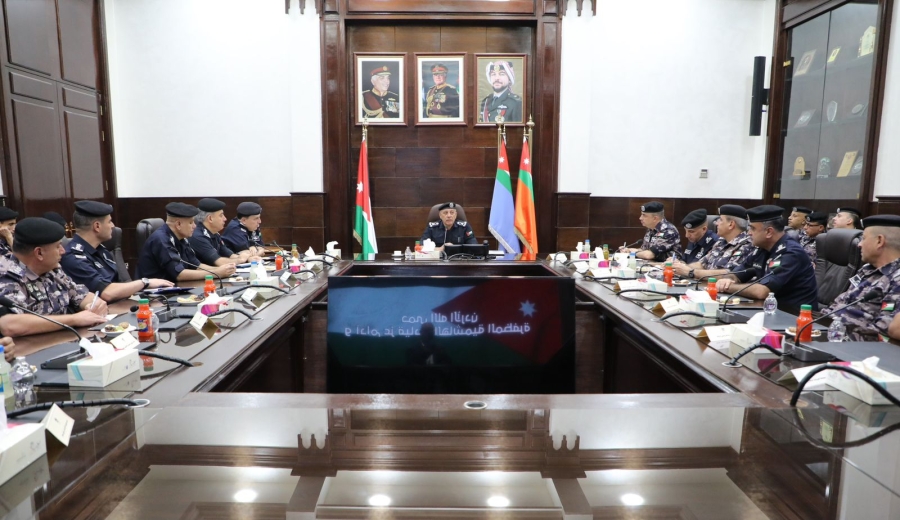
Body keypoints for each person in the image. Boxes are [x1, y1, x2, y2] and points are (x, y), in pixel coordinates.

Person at [0, 217, 108, 336]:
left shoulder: (52, 269)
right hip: (34, 346)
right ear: (39, 253)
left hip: (66, 339)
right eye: (58, 246)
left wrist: (93, 305)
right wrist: (74, 319)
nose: (63, 251)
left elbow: (79, 293)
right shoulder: (6, 276)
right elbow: (9, 324)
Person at [60, 201, 172, 302]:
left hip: (122, 305)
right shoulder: (74, 258)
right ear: (97, 226)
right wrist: (145, 282)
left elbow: (118, 284)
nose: (113, 226)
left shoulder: (101, 250)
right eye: (110, 221)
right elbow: (107, 293)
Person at [715, 205, 818, 309]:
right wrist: (727, 280)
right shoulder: (761, 248)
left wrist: (728, 287)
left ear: (769, 232)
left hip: (793, 313)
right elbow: (737, 273)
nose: (749, 233)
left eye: (752, 228)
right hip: (769, 309)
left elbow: (762, 291)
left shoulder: (791, 253)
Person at [822, 215, 900, 342]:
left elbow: (884, 331)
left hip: (858, 347)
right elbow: (841, 301)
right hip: (830, 333)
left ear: (879, 241)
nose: (859, 244)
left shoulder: (896, 278)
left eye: (863, 238)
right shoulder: (867, 269)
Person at [136, 202, 236, 283]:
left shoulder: (182, 238)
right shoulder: (161, 239)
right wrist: (217, 273)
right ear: (178, 224)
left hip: (173, 288)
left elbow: (196, 265)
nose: (194, 226)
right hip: (153, 294)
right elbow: (179, 274)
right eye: (191, 223)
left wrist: (221, 270)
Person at [674, 204, 755, 280]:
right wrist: (680, 267)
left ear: (731, 224)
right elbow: (702, 264)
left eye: (720, 220)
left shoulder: (746, 245)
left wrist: (691, 272)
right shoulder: (721, 242)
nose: (716, 223)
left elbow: (729, 274)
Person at [189, 198, 255, 267]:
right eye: (221, 215)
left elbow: (229, 254)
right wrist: (240, 260)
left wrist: (247, 258)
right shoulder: (198, 236)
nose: (225, 219)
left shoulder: (214, 233)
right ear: (210, 218)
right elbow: (218, 261)